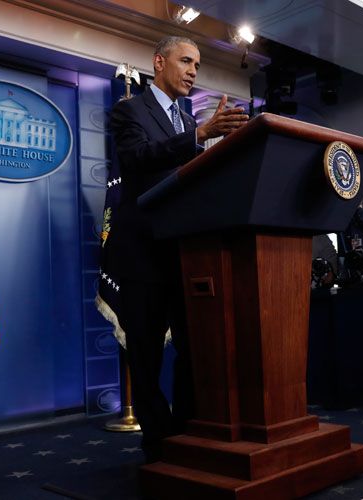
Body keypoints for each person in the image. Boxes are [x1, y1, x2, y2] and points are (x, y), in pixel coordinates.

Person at [107, 36, 248, 463]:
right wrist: (201, 134)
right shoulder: (129, 109)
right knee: (146, 357)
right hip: (141, 256)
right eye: (186, 61)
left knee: (193, 349)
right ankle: (157, 443)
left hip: (185, 255)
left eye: (198, 65)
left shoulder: (187, 123)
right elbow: (137, 158)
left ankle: (186, 432)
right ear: (158, 62)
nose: (193, 71)